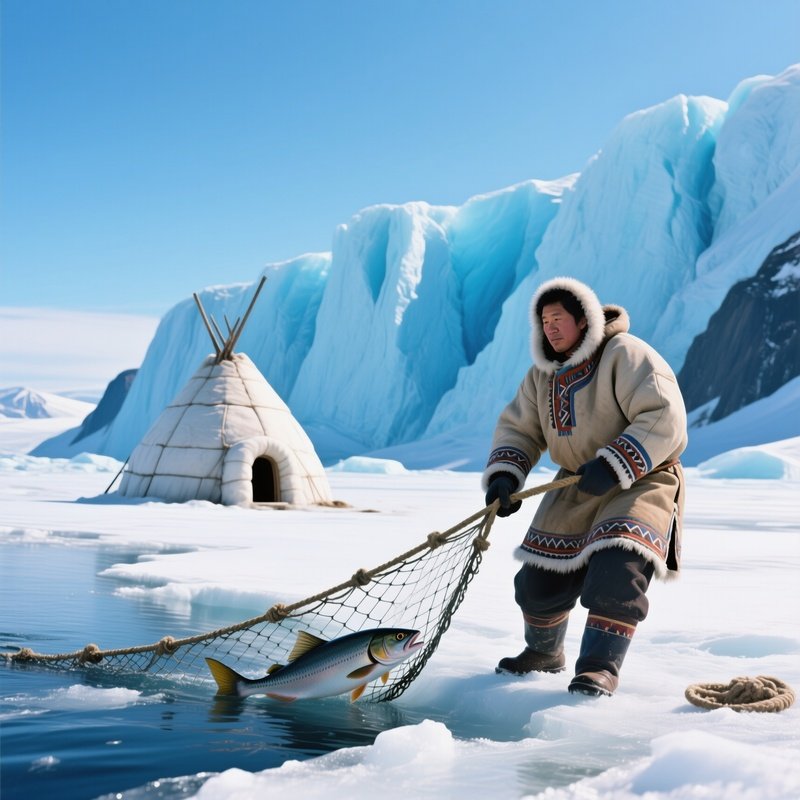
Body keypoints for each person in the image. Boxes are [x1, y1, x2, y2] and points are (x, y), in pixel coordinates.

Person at [483, 276, 687, 696]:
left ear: (584, 320)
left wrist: (616, 464)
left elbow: (664, 415)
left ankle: (599, 668)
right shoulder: (542, 376)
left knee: (618, 571)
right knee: (537, 583)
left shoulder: (626, 354)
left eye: (558, 318)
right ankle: (543, 653)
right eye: (544, 321)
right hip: (577, 482)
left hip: (640, 480)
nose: (550, 328)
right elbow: (519, 428)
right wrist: (506, 473)